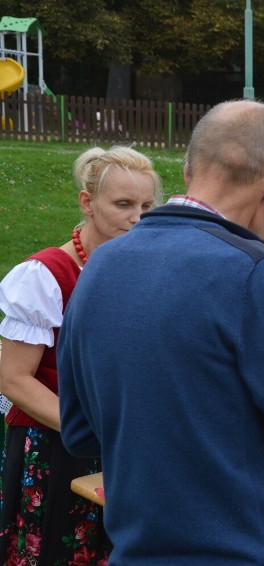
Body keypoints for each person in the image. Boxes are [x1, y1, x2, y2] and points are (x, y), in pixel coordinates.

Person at [57, 100, 264, 565]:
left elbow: (78, 431)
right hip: (245, 552)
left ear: (189, 168)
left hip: (135, 550)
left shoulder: (99, 265)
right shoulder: (259, 275)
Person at [0, 145, 161, 564]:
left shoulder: (142, 267)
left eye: (146, 205)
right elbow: (13, 378)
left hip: (122, 441)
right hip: (54, 443)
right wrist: (90, 432)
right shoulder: (46, 276)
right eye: (123, 204)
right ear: (87, 203)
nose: (138, 217)